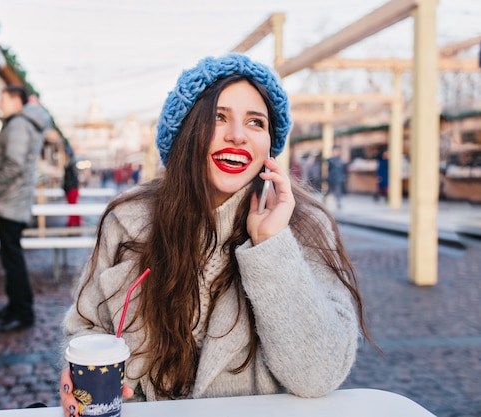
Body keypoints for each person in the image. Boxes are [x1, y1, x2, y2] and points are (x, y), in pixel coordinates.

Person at [59, 54, 374, 415]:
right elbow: (87, 326)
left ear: (269, 145)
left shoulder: (305, 226)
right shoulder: (128, 221)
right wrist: (77, 373)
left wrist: (271, 246)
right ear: (185, 134)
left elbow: (317, 376)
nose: (237, 135)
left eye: (256, 122)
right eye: (218, 117)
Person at [0, 85, 51, 332]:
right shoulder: (24, 123)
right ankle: (15, 306)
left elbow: (13, 163)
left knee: (12, 259)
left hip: (10, 200)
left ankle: (22, 312)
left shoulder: (18, 124)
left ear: (16, 101)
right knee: (10, 257)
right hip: (15, 200)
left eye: (2, 99)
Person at [63, 146, 81, 227]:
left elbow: (73, 178)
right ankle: (77, 222)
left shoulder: (70, 164)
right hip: (72, 188)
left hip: (72, 189)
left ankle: (71, 223)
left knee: (72, 206)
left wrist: (68, 186)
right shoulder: (71, 163)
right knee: (74, 206)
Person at [324, 145, 345, 209]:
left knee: (338, 190)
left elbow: (342, 169)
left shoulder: (339, 160)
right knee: (329, 190)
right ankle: (324, 198)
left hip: (338, 178)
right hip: (331, 178)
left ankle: (338, 202)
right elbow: (328, 168)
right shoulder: (330, 160)